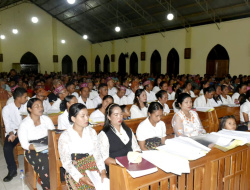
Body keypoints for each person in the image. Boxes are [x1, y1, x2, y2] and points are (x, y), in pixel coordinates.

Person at [58, 103, 107, 189]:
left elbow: (97, 154)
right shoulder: (66, 136)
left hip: (93, 166)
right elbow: (66, 162)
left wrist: (103, 171)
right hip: (76, 169)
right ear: (73, 118)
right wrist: (81, 177)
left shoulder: (91, 132)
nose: (87, 118)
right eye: (82, 116)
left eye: (87, 115)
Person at [18, 98, 55, 190]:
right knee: (46, 159)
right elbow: (24, 144)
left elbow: (53, 133)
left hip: (49, 143)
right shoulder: (24, 124)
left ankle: (60, 181)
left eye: (41, 106)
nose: (40, 108)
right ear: (30, 109)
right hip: (32, 149)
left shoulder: (46, 119)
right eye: (36, 106)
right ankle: (48, 186)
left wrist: (50, 146)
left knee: (60, 155)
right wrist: (37, 147)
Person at [98, 104, 141, 176]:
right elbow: (105, 159)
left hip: (132, 165)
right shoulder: (104, 134)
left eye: (121, 114)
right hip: (116, 168)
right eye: (116, 115)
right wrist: (123, 164)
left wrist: (135, 159)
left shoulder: (128, 130)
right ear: (108, 117)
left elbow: (136, 149)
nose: (120, 117)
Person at [2, 87, 28, 182]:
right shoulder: (7, 109)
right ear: (18, 98)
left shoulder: (27, 106)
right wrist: (12, 134)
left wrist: (18, 133)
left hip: (26, 132)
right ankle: (12, 170)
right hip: (13, 131)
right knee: (7, 147)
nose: (27, 98)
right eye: (25, 97)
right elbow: (8, 125)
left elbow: (28, 123)